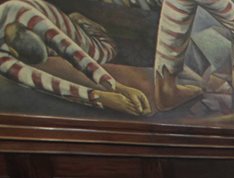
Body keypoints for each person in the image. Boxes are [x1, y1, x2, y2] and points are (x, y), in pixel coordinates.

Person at [0, 0, 150, 116]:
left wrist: (118, 87)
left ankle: (88, 26)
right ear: (13, 51)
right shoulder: (2, 61)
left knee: (105, 51)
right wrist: (100, 97)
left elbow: (72, 52)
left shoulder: (23, 12)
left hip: (60, 25)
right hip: (45, 36)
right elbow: (44, 83)